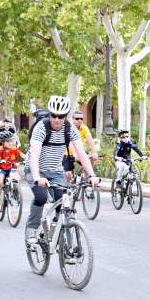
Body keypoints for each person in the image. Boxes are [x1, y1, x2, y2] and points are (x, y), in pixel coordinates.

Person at [25, 96, 98, 244]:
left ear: (66, 116)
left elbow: (82, 154)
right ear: (50, 114)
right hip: (35, 170)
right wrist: (37, 177)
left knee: (64, 203)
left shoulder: (70, 128)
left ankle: (63, 239)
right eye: (54, 115)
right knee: (41, 197)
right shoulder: (41, 128)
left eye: (61, 116)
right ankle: (32, 229)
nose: (57, 119)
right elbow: (34, 155)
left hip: (56, 171)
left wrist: (92, 175)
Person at [0, 129, 24, 207]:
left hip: (12, 168)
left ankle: (16, 193)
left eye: (11, 141)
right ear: (3, 142)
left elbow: (22, 155)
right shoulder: (0, 149)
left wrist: (28, 159)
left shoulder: (14, 148)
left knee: (17, 179)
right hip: (1, 168)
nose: (10, 143)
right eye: (7, 141)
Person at [65, 111, 99, 182]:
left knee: (91, 159)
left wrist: (94, 152)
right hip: (67, 154)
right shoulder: (68, 127)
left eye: (81, 119)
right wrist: (75, 154)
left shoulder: (84, 128)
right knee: (68, 175)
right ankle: (67, 189)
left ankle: (85, 176)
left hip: (79, 153)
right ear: (73, 119)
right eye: (77, 118)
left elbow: (91, 142)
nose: (79, 120)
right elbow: (70, 143)